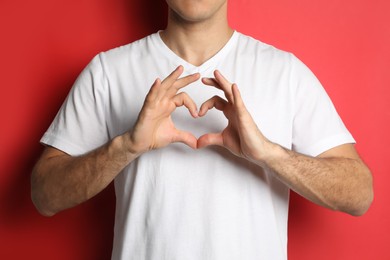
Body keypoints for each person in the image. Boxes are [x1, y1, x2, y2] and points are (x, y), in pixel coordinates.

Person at [31, 0, 373, 259]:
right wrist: (125, 147)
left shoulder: (285, 73)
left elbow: (359, 194)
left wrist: (268, 153)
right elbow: (44, 196)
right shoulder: (107, 71)